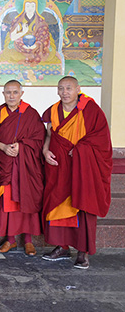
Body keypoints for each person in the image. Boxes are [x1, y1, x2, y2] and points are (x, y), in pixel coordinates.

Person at [41, 76, 112, 269]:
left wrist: (81, 150)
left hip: (83, 168)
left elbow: (102, 140)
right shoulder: (53, 110)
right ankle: (62, 246)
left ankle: (83, 252)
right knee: (57, 204)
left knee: (83, 205)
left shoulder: (91, 110)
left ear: (78, 89)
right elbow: (49, 135)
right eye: (61, 88)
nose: (65, 92)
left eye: (69, 88)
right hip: (58, 167)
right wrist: (45, 151)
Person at [0, 80, 45, 256]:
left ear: (21, 93)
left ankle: (28, 241)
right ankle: (11, 240)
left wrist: (22, 146)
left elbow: (39, 139)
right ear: (3, 94)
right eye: (8, 93)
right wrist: (3, 147)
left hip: (26, 165)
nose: (11, 96)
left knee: (26, 199)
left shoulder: (31, 114)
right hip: (4, 163)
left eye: (15, 92)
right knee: (8, 202)